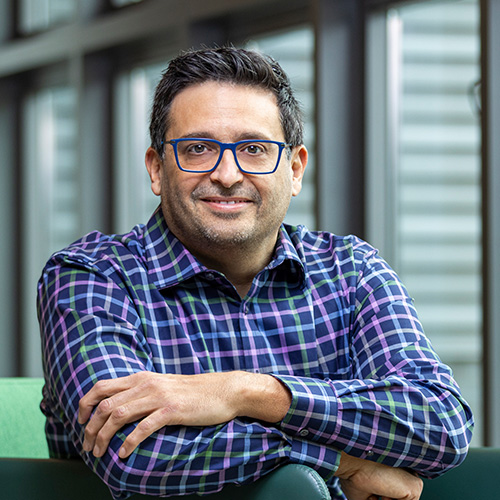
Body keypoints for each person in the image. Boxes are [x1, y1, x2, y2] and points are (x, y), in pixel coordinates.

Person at [37, 46, 473, 500]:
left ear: (295, 168)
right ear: (156, 169)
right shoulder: (91, 278)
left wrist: (247, 393)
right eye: (198, 148)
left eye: (255, 149)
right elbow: (136, 457)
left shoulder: (353, 272)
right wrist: (344, 462)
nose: (227, 174)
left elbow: (441, 423)